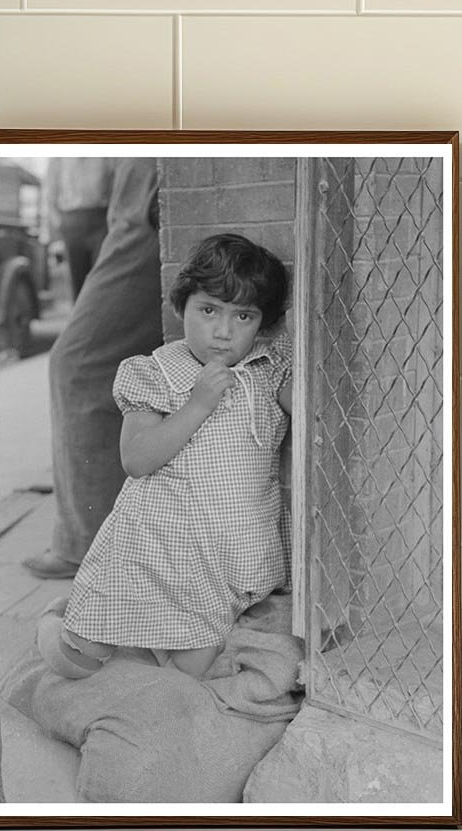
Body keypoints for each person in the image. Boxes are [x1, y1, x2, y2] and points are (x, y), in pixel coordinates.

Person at [36, 233, 293, 681]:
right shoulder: (155, 373)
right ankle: (64, 625)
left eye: (244, 316)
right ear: (182, 307)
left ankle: (150, 660)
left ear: (262, 325)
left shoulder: (268, 369)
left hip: (232, 549)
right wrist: (197, 405)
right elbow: (136, 460)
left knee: (189, 668)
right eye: (208, 309)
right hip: (159, 546)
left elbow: (313, 412)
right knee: (79, 660)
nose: (223, 331)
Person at [23, 157, 164, 580]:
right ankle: (105, 538)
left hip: (146, 192)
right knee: (95, 363)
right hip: (122, 202)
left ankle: (88, 544)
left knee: (79, 365)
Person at [45, 157, 116, 300]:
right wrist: (61, 225)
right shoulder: (58, 158)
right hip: (71, 223)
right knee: (77, 281)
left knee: (102, 275)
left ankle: (101, 319)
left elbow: (114, 189)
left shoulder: (105, 156)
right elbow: (50, 198)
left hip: (100, 220)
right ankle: (81, 319)